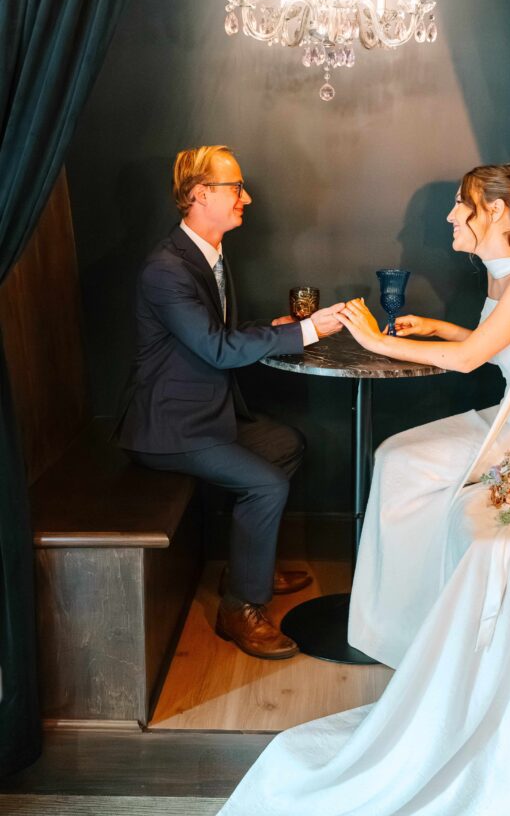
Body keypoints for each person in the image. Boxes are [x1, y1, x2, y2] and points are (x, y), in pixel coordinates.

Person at [217, 163, 510, 816]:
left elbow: (471, 364)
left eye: (460, 206)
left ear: (494, 211)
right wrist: (438, 329)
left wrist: (375, 337)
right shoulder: (508, 275)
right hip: (509, 416)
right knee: (399, 455)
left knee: (415, 469)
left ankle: (421, 638)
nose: (447, 219)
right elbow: (503, 351)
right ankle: (397, 630)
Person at [117, 145, 344, 660]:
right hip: (168, 428)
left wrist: (276, 329)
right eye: (235, 187)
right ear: (201, 195)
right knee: (265, 485)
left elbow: (213, 334)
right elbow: (216, 349)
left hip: (206, 416)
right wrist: (308, 329)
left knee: (287, 444)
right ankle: (240, 605)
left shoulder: (208, 253)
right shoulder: (166, 269)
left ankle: (247, 564)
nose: (247, 197)